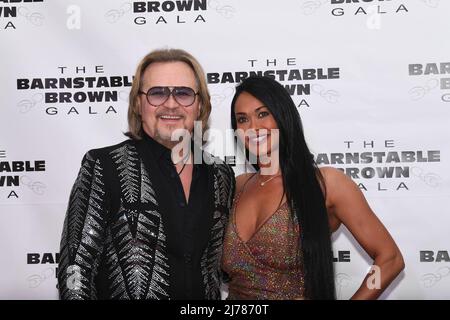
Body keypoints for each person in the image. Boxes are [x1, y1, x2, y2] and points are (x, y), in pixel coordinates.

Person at [58, 48, 235, 300]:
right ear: (139, 104)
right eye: (157, 93)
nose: (171, 103)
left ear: (199, 106)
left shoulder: (221, 175)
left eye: (183, 93)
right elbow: (75, 267)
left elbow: (221, 268)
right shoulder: (104, 165)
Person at [221, 76, 405, 300]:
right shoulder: (238, 185)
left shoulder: (326, 183)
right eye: (242, 119)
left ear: (282, 116)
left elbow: (390, 259)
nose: (253, 128)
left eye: (263, 114)